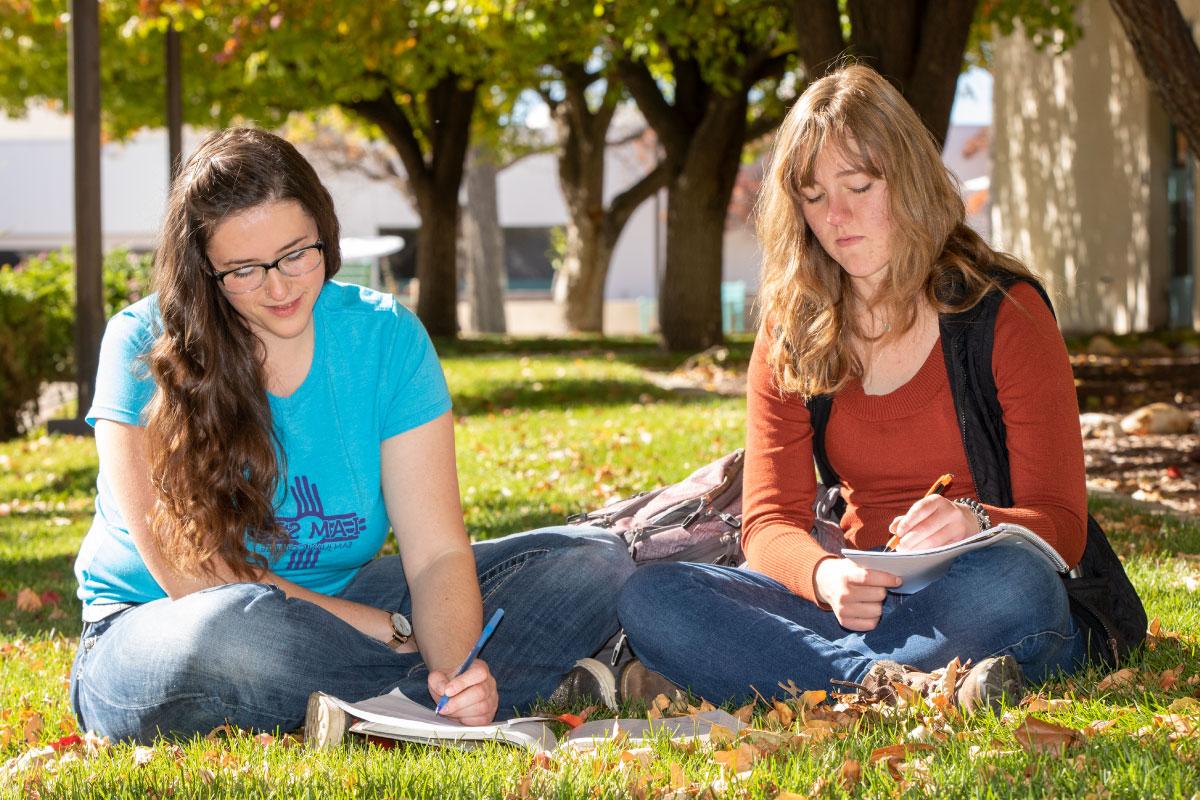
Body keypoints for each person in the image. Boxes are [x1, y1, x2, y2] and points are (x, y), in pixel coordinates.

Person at [70, 128, 634, 743]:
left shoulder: (385, 336)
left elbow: (437, 553)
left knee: (590, 562)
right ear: (204, 269)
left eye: (296, 254)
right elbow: (195, 579)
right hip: (160, 627)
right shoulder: (142, 345)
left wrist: (453, 662)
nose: (280, 288)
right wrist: (388, 629)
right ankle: (444, 697)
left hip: (345, 600)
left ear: (324, 231)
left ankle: (429, 702)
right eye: (244, 271)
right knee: (233, 636)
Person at [615, 64, 1089, 712]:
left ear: (910, 178)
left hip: (970, 586)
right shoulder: (792, 328)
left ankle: (795, 680)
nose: (836, 217)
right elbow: (769, 522)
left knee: (1018, 587)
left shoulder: (1005, 312)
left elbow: (1062, 525)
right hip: (850, 601)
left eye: (859, 186)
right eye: (813, 196)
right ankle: (892, 684)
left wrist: (974, 522)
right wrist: (823, 573)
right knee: (653, 597)